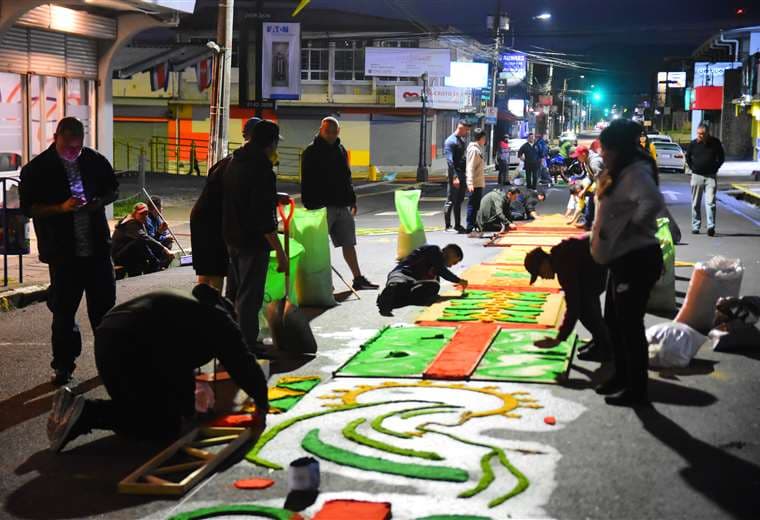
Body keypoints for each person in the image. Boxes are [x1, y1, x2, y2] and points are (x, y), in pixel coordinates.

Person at [46, 284, 269, 453]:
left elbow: (178, 360)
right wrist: (262, 402)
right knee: (164, 426)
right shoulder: (220, 321)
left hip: (110, 339)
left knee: (143, 407)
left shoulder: (190, 307)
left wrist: (187, 407)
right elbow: (243, 364)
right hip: (132, 344)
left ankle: (80, 411)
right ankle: (88, 412)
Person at [19, 117, 118, 386]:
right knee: (64, 314)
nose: (73, 152)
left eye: (78, 148)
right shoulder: (38, 169)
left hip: (96, 249)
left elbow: (113, 190)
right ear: (56, 138)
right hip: (63, 253)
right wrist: (60, 208)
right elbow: (28, 208)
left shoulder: (94, 160)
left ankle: (109, 362)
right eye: (68, 147)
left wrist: (99, 202)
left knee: (105, 311)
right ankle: (63, 365)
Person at [591, 119, 665, 406]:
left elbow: (652, 203)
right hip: (620, 259)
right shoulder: (620, 171)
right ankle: (620, 376)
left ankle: (636, 388)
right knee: (615, 321)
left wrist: (627, 230)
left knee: (630, 326)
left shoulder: (636, 172)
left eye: (607, 148)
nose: (604, 153)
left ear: (619, 148)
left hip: (636, 258)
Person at [223, 120, 288, 355]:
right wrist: (280, 253)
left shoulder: (235, 162)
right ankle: (247, 346)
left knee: (236, 292)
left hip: (232, 236)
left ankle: (233, 341)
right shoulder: (261, 169)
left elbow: (244, 197)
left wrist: (273, 196)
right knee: (250, 296)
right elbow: (263, 218)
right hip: (251, 241)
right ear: (269, 143)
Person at [301, 116, 378, 290]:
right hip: (321, 207)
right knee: (320, 247)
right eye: (328, 131)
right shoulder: (311, 151)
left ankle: (358, 278)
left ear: (338, 132)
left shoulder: (340, 149)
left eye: (334, 132)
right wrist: (310, 205)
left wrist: (352, 199)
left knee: (349, 242)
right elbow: (307, 181)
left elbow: (347, 176)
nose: (331, 135)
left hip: (341, 204)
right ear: (321, 129)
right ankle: (324, 282)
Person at [191, 117, 260, 293]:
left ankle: (202, 312)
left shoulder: (232, 159)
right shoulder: (241, 162)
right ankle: (215, 314)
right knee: (215, 273)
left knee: (207, 272)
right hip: (213, 221)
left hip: (203, 217)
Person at [524, 236, 611, 361]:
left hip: (607, 260)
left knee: (584, 308)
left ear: (543, 264)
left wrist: (560, 338)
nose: (542, 277)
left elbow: (573, 306)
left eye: (539, 273)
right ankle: (600, 340)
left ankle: (605, 348)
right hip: (599, 261)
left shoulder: (564, 266)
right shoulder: (559, 257)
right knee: (587, 302)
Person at [376, 244, 468, 316]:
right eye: (454, 261)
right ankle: (391, 291)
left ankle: (388, 302)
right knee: (400, 284)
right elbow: (443, 271)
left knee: (433, 287)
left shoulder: (435, 274)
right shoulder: (434, 250)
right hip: (402, 274)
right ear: (449, 252)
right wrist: (459, 281)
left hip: (412, 283)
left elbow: (439, 274)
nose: (452, 265)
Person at [111, 202, 174, 276]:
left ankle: (155, 264)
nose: (144, 216)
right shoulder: (131, 223)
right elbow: (144, 239)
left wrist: (159, 232)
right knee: (140, 241)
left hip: (130, 253)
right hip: (119, 256)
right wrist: (164, 249)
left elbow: (148, 241)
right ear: (135, 214)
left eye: (146, 214)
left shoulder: (140, 222)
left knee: (167, 241)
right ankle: (155, 264)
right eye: (141, 214)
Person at [686, 123, 725, 236]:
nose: (699, 136)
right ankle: (695, 226)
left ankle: (711, 227)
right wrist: (693, 168)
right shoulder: (693, 144)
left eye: (702, 134)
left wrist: (716, 167)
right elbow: (688, 157)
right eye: (698, 133)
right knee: (695, 203)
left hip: (710, 177)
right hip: (696, 176)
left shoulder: (715, 143)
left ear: (707, 133)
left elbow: (721, 157)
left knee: (710, 202)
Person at [442, 120, 471, 233]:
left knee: (459, 200)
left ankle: (457, 225)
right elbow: (450, 161)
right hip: (454, 174)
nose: (467, 132)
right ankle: (448, 226)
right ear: (460, 128)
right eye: (466, 130)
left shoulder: (461, 140)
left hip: (461, 173)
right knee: (450, 200)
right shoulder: (450, 141)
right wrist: (454, 177)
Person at [465, 128, 487, 235]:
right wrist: (469, 183)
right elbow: (470, 167)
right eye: (484, 138)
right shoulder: (474, 150)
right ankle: (470, 226)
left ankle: (473, 224)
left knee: (476, 205)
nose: (485, 140)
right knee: (472, 205)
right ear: (481, 138)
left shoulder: (478, 149)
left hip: (478, 182)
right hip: (474, 183)